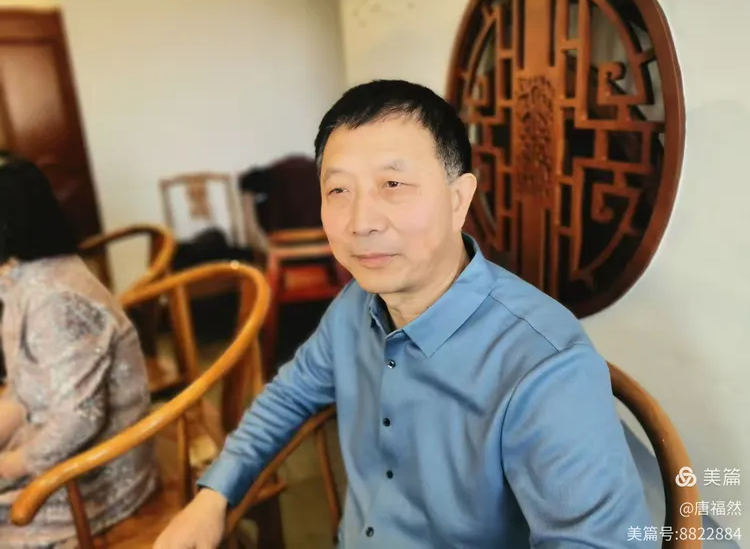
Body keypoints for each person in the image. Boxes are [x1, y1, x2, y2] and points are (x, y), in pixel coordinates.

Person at [155, 80, 653, 548]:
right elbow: (289, 396)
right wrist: (213, 495)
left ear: (458, 200)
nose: (361, 223)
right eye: (338, 191)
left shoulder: (544, 367)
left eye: (393, 183)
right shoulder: (353, 307)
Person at [0, 153, 158, 548]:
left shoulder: (55, 299)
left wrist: (8, 465)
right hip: (60, 445)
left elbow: (79, 419)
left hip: (96, 471)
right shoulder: (25, 276)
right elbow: (25, 391)